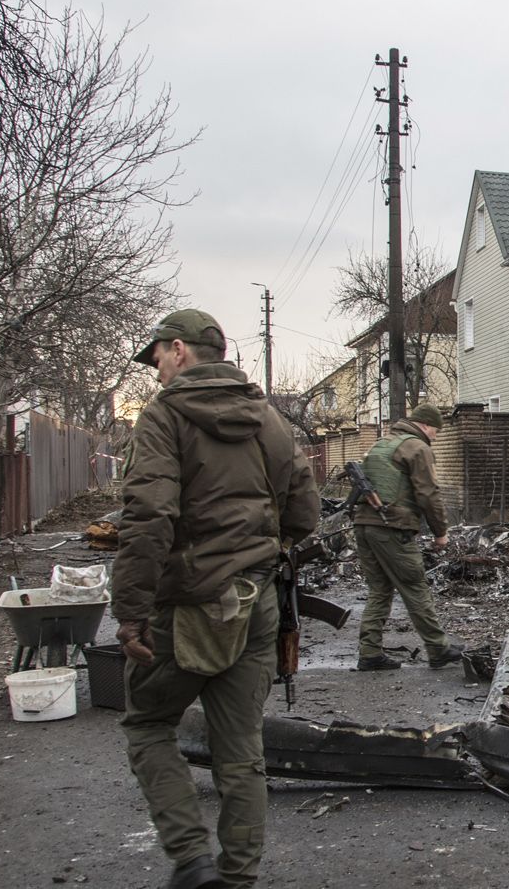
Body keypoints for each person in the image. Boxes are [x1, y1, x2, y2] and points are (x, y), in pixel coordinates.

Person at [111, 309, 319, 889]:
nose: (155, 373)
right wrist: (265, 549)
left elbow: (149, 516)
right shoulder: (267, 419)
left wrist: (129, 612)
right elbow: (306, 510)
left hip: (185, 606)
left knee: (149, 724)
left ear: (178, 350)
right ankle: (236, 878)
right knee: (241, 749)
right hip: (256, 602)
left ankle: (191, 860)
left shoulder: (164, 416)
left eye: (156, 359)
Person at [353, 403, 464, 671]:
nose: (435, 436)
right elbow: (428, 494)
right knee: (414, 587)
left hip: (363, 524)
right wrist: (441, 532)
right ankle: (438, 648)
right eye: (436, 431)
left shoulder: (383, 443)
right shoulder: (417, 447)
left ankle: (369, 652)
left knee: (379, 589)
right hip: (393, 527)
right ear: (426, 425)